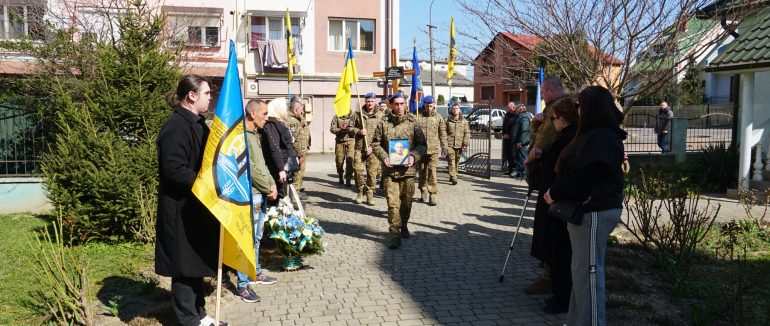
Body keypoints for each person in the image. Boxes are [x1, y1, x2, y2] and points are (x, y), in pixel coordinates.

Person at [544, 86, 626, 325]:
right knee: (581, 274)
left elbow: (586, 177)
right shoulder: (596, 135)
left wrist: (555, 192)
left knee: (589, 275)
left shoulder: (604, 138)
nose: (576, 110)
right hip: (588, 213)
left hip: (594, 212)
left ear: (592, 108)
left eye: (579, 106)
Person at [156, 74, 225, 326]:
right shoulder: (175, 127)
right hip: (180, 210)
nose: (210, 98)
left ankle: (200, 313)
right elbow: (173, 169)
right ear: (192, 95)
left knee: (196, 262)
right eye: (207, 93)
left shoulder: (197, 123)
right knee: (184, 266)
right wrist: (205, 183)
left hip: (196, 208)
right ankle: (188, 319)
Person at [531, 97, 579, 314]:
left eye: (554, 118)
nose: (553, 122)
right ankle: (559, 295)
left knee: (561, 253)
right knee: (558, 252)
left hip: (559, 202)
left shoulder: (569, 139)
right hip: (554, 198)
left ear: (563, 119)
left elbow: (558, 169)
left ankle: (563, 298)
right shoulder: (566, 136)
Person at [523, 77, 569, 294]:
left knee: (549, 232)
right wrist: (535, 123)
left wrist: (532, 158)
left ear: (551, 90)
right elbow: (538, 134)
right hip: (548, 176)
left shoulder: (559, 108)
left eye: (543, 92)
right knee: (546, 231)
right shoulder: (551, 108)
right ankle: (549, 274)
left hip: (552, 178)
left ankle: (551, 277)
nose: (541, 96)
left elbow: (543, 142)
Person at [235, 99, 279, 303]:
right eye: (264, 114)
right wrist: (267, 186)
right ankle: (242, 284)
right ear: (252, 114)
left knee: (258, 236)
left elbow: (261, 164)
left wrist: (273, 183)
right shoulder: (242, 135)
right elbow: (249, 167)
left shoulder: (255, 134)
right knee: (247, 238)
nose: (267, 118)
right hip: (250, 193)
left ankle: (255, 271)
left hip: (261, 192)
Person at [372, 93, 427, 249]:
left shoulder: (413, 123)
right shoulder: (383, 123)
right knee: (392, 204)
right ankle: (394, 233)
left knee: (407, 203)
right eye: (396, 104)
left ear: (405, 105)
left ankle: (404, 225)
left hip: (407, 171)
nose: (399, 107)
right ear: (391, 105)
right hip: (390, 172)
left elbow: (422, 145)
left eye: (402, 103)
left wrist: (413, 157)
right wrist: (384, 157)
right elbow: (375, 144)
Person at [349, 92, 385, 205]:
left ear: (375, 102)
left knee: (372, 173)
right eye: (368, 101)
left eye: (372, 101)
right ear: (365, 101)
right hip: (359, 148)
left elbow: (383, 133)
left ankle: (370, 193)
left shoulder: (381, 115)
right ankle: (360, 191)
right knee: (357, 170)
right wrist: (358, 131)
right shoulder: (357, 114)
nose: (370, 103)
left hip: (373, 149)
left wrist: (374, 147)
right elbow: (350, 128)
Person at [261, 99, 297, 203]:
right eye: (284, 107)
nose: (286, 110)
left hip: (284, 165)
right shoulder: (271, 124)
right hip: (277, 168)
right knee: (278, 196)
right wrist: (281, 169)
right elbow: (275, 148)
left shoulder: (278, 122)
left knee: (284, 195)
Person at [416, 95, 447, 206]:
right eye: (427, 106)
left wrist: (444, 147)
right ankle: (423, 190)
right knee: (422, 171)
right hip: (420, 150)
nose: (429, 108)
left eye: (430, 106)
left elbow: (442, 133)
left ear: (434, 105)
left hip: (433, 149)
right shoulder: (418, 117)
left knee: (432, 171)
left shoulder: (438, 117)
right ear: (423, 105)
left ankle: (432, 194)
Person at [288, 98, 310, 199]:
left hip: (302, 151)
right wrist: (298, 155)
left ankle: (296, 192)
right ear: (296, 109)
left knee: (300, 174)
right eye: (301, 108)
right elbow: (294, 140)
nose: (302, 111)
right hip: (298, 154)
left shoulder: (299, 118)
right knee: (296, 174)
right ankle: (293, 198)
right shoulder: (292, 120)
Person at [445, 102, 470, 185]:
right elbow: (443, 132)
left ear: (459, 110)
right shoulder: (447, 120)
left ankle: (452, 174)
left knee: (456, 161)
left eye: (457, 108)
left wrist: (465, 143)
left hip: (459, 144)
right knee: (451, 160)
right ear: (451, 110)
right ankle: (454, 176)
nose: (455, 110)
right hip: (450, 144)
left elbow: (467, 133)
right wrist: (444, 144)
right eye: (454, 109)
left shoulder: (464, 121)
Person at [330, 110, 355, 187]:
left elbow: (357, 128)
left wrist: (349, 129)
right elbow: (332, 129)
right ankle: (340, 176)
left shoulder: (354, 116)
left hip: (350, 142)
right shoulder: (336, 116)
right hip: (339, 142)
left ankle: (348, 179)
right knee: (339, 161)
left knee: (350, 161)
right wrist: (340, 130)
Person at [508, 104, 531, 179]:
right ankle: (519, 173)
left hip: (521, 143)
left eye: (517, 109)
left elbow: (524, 131)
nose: (516, 110)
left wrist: (521, 142)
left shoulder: (524, 118)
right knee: (518, 158)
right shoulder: (521, 117)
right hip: (518, 141)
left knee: (522, 158)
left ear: (521, 109)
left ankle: (522, 174)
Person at [501, 101, 518, 175]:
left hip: (512, 138)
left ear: (513, 107)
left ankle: (514, 170)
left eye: (509, 106)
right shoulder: (507, 114)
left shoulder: (516, 115)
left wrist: (509, 134)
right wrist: (504, 133)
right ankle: (510, 169)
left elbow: (514, 128)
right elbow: (504, 125)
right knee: (507, 154)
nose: (507, 108)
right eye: (507, 106)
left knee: (513, 154)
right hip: (506, 137)